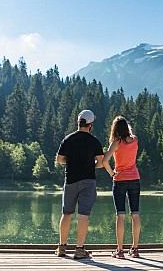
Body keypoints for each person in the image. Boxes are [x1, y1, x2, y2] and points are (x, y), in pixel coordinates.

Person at [55, 109, 104, 259]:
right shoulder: (94, 141)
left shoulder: (68, 139)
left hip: (70, 180)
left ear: (78, 122)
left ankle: (62, 248)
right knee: (83, 215)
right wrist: (91, 165)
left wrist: (71, 162)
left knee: (66, 213)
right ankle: (79, 249)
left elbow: (59, 159)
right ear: (90, 125)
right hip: (88, 181)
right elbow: (101, 163)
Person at [103, 116, 141, 259]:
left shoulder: (116, 143)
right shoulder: (135, 140)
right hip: (135, 179)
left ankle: (120, 251)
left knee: (121, 214)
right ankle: (135, 249)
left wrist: (112, 173)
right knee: (135, 214)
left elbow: (105, 161)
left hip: (119, 180)